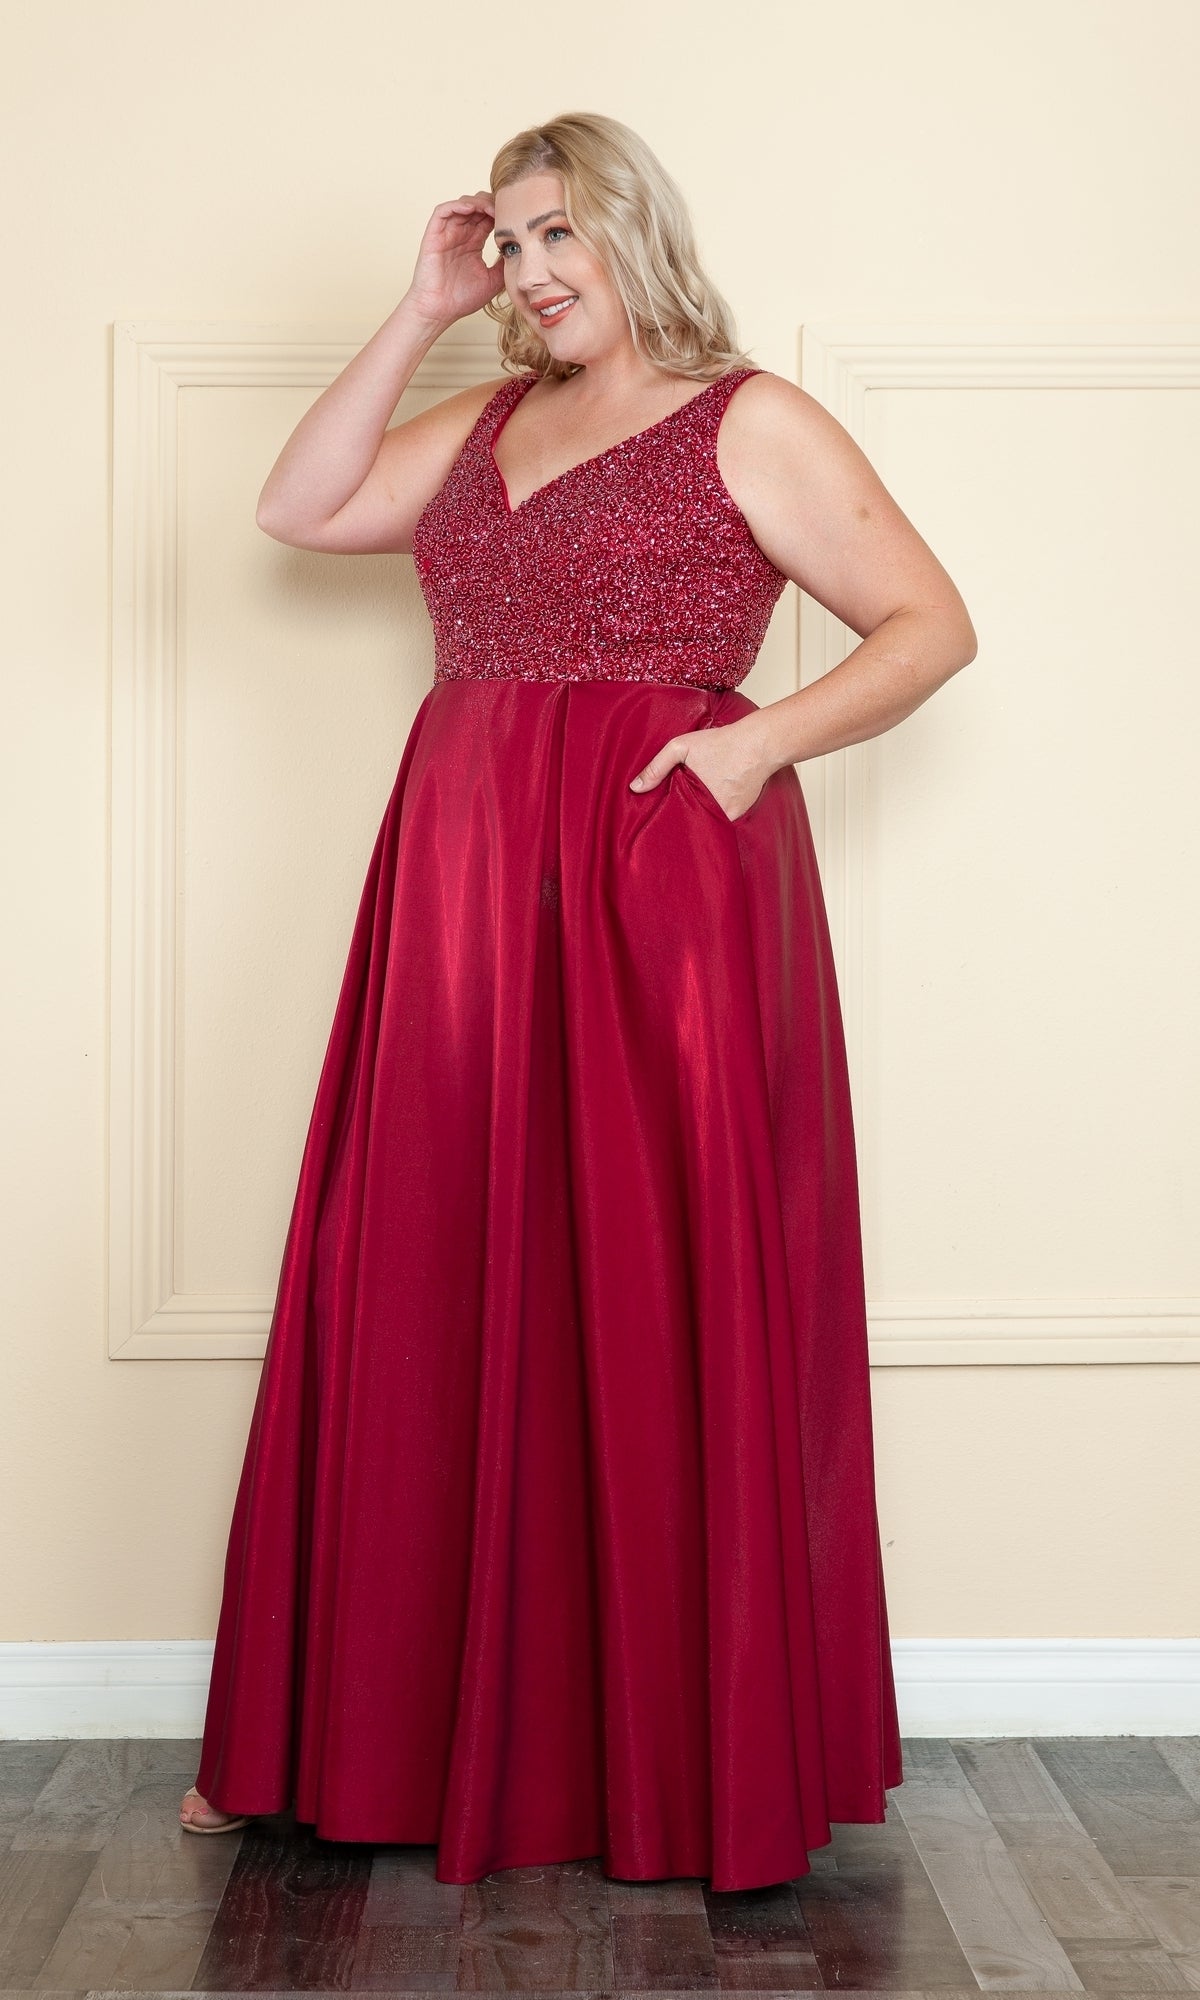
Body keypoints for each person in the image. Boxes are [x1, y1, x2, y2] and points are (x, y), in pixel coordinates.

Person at [179, 110, 976, 1890]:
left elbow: (928, 623)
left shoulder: (748, 418)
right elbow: (295, 507)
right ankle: (360, 1732)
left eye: (560, 241)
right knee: (433, 1258)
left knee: (647, 1268)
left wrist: (754, 745)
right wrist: (414, 309)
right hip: (461, 884)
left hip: (659, 881)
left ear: (632, 236)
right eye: (510, 248)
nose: (532, 277)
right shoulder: (482, 420)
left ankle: (671, 1761)